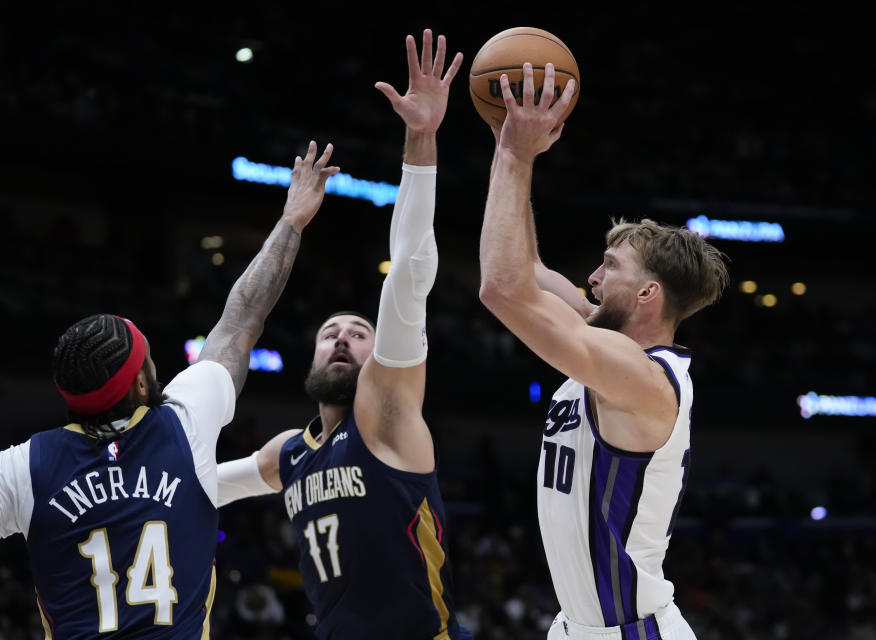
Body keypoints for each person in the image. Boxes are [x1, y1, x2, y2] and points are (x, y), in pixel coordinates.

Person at [0, 140, 339, 637]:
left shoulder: (23, 468)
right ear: (141, 381)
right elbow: (242, 318)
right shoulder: (184, 420)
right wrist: (292, 220)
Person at [216, 29, 471, 640]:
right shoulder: (291, 453)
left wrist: (421, 139)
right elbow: (196, 486)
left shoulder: (386, 413)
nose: (341, 339)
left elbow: (409, 273)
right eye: (331, 332)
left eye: (359, 334)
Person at [478, 63, 729, 640]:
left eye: (609, 267)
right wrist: (506, 148)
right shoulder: (602, 338)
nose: (591, 278)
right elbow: (530, 268)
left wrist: (517, 159)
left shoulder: (640, 377)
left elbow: (501, 287)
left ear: (648, 294)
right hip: (576, 628)